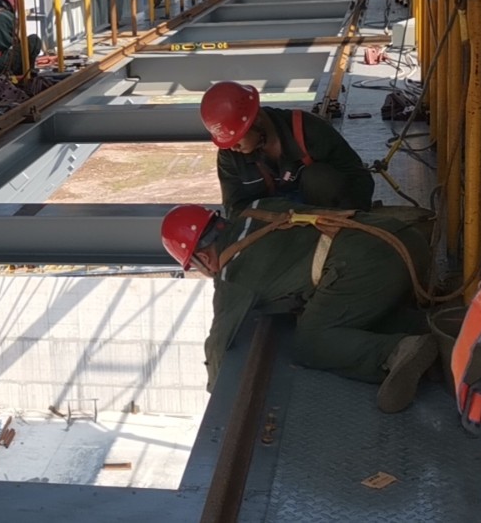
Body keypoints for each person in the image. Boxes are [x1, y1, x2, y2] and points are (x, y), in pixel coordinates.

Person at [161, 198, 440, 412]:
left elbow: (217, 344)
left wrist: (217, 399)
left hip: (377, 266)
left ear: (202, 259)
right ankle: (432, 333)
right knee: (340, 313)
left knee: (310, 341)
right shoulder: (257, 209)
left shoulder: (232, 275)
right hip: (406, 239)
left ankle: (395, 352)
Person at [201, 81, 375, 215]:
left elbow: (358, 178)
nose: (233, 147)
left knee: (319, 177)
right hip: (273, 223)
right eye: (227, 141)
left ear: (257, 119)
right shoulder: (230, 155)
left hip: (324, 216)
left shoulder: (310, 130)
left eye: (238, 137)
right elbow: (234, 208)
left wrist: (353, 219)